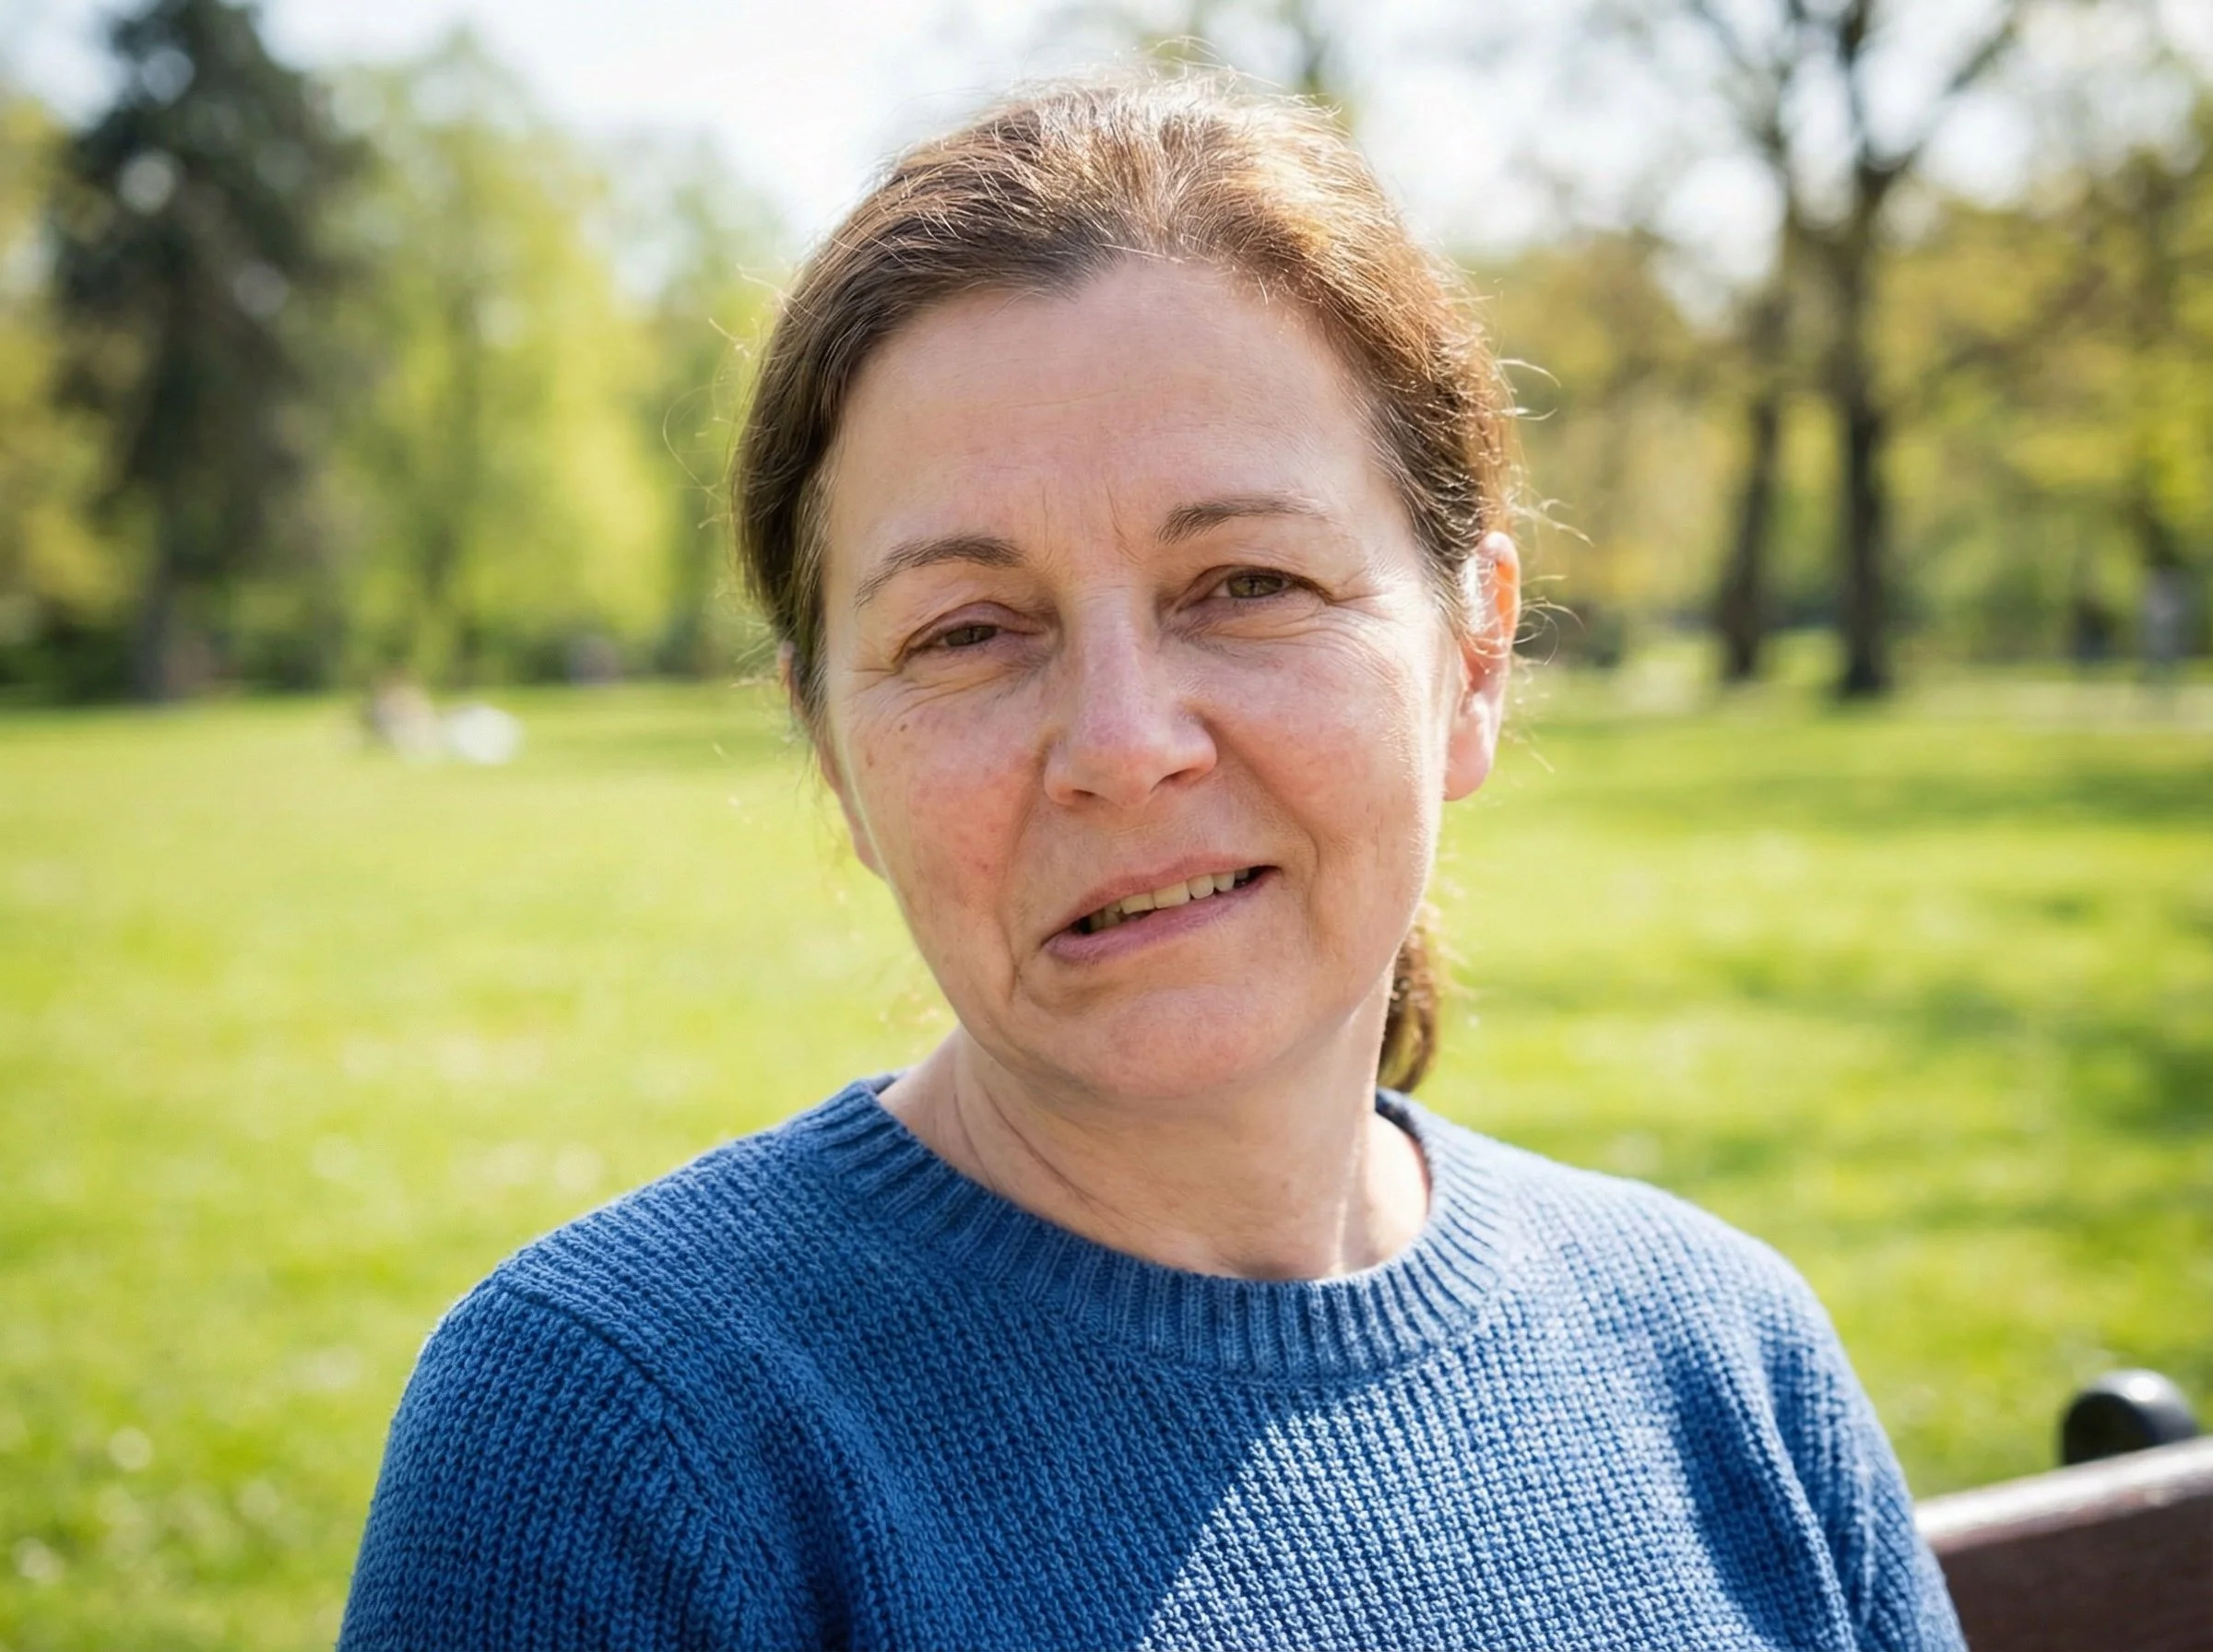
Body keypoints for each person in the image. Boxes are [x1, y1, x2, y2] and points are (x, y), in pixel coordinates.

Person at [339, 76, 1963, 1651]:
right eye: (968, 632)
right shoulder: (616, 1436)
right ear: (834, 755)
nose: (1124, 743)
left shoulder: (1725, 1361)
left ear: (1473, 659)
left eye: (1246, 581)